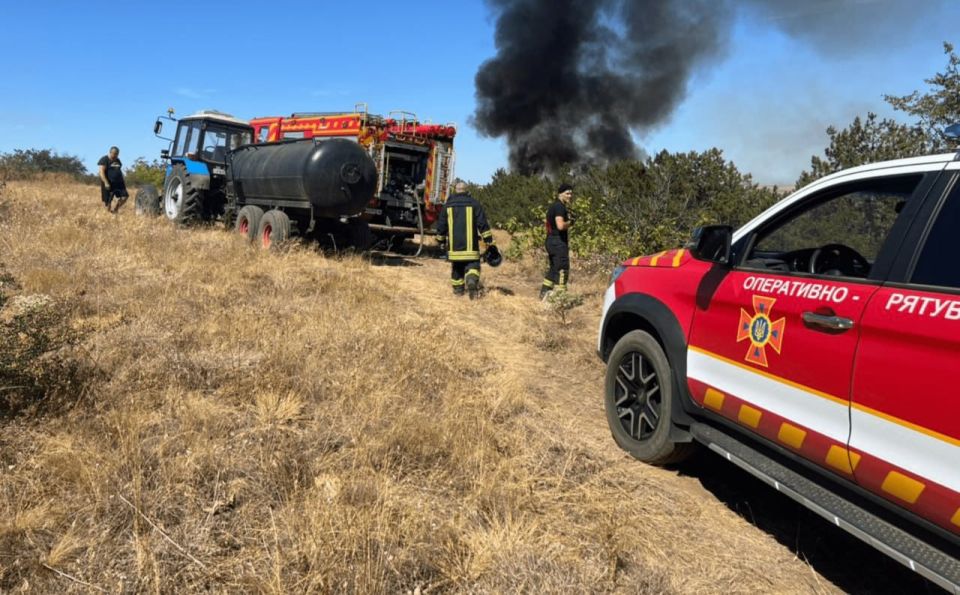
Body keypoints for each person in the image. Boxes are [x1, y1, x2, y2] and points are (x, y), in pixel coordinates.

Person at [436, 182, 496, 299]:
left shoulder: (447, 206)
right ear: (466, 191)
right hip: (471, 249)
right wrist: (488, 240)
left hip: (455, 249)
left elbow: (441, 226)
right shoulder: (474, 204)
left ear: (455, 191)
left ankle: (458, 291)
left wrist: (441, 241)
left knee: (457, 269)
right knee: (473, 266)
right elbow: (482, 223)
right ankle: (471, 280)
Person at [540, 183, 575, 299]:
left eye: (571, 193)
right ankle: (560, 300)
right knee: (562, 269)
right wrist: (571, 222)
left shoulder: (554, 206)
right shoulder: (559, 207)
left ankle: (544, 295)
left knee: (554, 269)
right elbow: (560, 226)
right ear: (560, 194)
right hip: (558, 242)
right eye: (567, 193)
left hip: (551, 241)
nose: (570, 196)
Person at [98, 146, 128, 213]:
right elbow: (101, 172)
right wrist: (106, 182)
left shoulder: (118, 160)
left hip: (119, 183)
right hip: (109, 183)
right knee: (108, 202)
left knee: (124, 197)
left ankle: (115, 210)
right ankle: (108, 213)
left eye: (117, 154)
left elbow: (119, 171)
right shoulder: (104, 159)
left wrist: (123, 180)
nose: (115, 155)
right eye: (114, 154)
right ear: (110, 152)